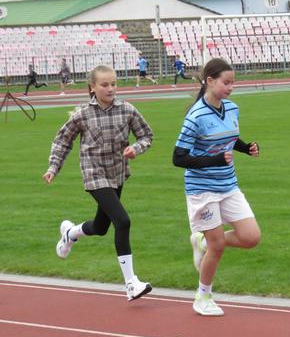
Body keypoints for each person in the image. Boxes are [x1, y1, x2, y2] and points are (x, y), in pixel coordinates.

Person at [42, 65, 154, 302]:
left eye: (113, 84)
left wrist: (136, 148)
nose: (110, 88)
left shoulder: (127, 110)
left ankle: (70, 233)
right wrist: (53, 168)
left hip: (117, 173)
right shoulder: (82, 114)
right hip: (94, 174)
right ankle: (131, 283)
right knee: (122, 221)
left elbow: (147, 135)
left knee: (102, 227)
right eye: (104, 85)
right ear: (92, 87)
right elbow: (63, 142)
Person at [173, 58, 261, 316]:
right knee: (218, 245)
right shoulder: (196, 116)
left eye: (233, 83)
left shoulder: (232, 108)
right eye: (226, 82)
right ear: (210, 81)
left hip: (228, 184)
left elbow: (229, 138)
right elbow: (178, 158)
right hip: (202, 189)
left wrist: (246, 148)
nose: (231, 87)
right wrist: (214, 160)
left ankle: (201, 242)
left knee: (251, 237)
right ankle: (203, 296)